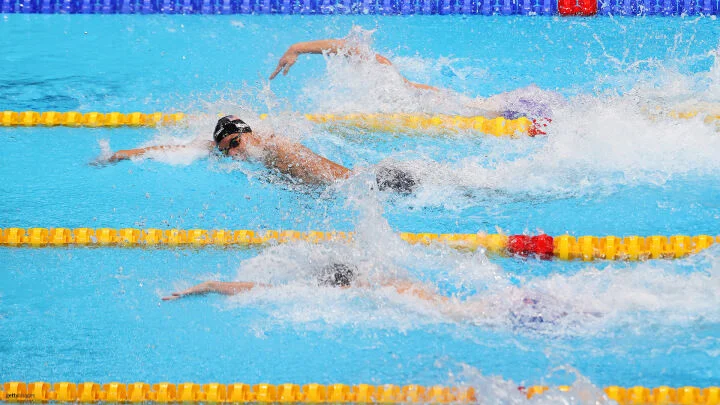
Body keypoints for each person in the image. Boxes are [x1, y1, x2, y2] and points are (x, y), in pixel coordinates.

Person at [101, 115, 418, 192]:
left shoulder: (271, 144)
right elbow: (181, 149)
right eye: (228, 152)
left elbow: (334, 178)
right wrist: (129, 152)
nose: (235, 154)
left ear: (246, 135)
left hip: (373, 185)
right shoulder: (250, 149)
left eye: (236, 144)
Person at [270, 38, 564, 120]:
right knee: (487, 107)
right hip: (435, 102)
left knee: (488, 111)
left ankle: (539, 107)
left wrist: (297, 48)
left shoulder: (379, 68)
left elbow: (350, 47)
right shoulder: (376, 80)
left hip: (438, 106)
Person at [162, 263, 444, 302]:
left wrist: (210, 284)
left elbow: (260, 289)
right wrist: (209, 284)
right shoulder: (383, 286)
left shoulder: (369, 291)